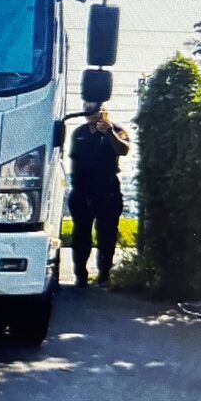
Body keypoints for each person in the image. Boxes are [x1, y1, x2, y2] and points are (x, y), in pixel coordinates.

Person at [68, 102, 131, 287]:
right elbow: (74, 159)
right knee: (81, 234)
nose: (89, 112)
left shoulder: (116, 129)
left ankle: (104, 274)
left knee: (107, 234)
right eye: (86, 108)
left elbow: (124, 149)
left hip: (107, 189)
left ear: (103, 111)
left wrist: (109, 132)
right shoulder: (78, 132)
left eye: (93, 109)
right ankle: (81, 275)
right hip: (83, 189)